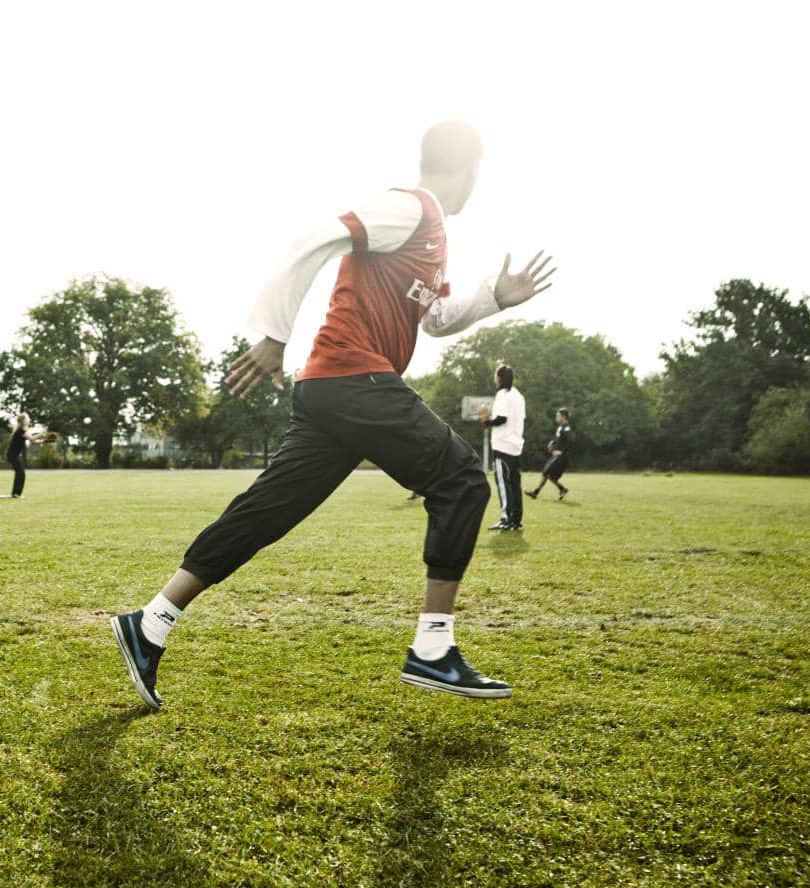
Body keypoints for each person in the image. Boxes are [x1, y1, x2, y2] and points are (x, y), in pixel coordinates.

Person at [109, 121, 556, 709]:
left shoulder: (433, 236)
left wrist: (493, 298)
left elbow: (437, 318)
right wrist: (273, 333)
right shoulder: (410, 208)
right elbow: (314, 241)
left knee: (266, 512)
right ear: (469, 168)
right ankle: (432, 648)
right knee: (463, 478)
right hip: (354, 378)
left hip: (332, 391)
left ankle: (150, 624)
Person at [482, 364, 525, 530]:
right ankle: (516, 520)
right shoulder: (518, 396)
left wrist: (488, 422)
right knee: (515, 483)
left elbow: (502, 418)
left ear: (499, 378)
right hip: (516, 445)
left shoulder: (502, 394)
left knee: (503, 482)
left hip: (503, 445)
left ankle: (505, 519)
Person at [527, 407, 573, 501]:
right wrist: (553, 443)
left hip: (561, 457)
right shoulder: (560, 427)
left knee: (545, 473)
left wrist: (562, 451)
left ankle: (535, 493)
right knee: (549, 475)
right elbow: (560, 439)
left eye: (558, 416)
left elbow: (571, 441)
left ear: (563, 417)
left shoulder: (567, 427)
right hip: (556, 456)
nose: (556, 417)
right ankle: (562, 489)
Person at [5, 414, 55, 498]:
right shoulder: (21, 430)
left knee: (20, 473)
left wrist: (46, 441)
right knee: (20, 473)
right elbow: (33, 439)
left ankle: (16, 493)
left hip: (15, 455)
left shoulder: (24, 430)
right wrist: (42, 432)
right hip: (12, 455)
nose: (29, 419)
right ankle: (16, 494)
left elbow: (33, 441)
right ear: (23, 421)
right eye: (27, 418)